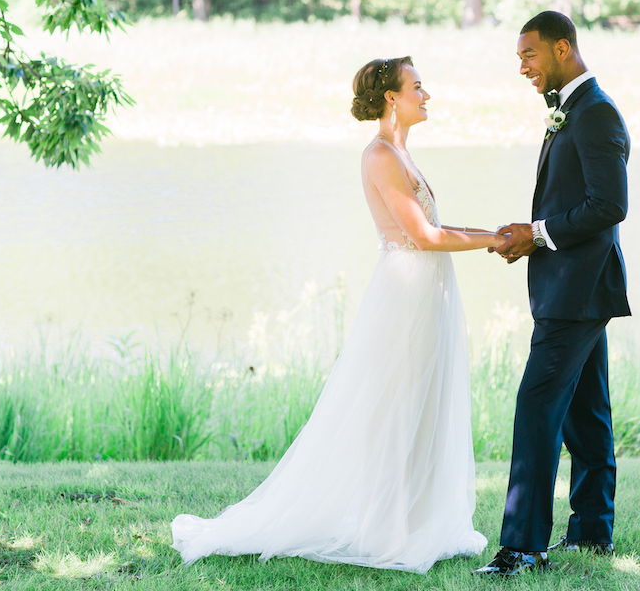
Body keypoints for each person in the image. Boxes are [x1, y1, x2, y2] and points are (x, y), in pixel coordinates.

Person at [171, 56, 504, 574]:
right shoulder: (381, 156)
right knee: (396, 408)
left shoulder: (401, 152)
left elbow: (434, 229)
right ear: (392, 97)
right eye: (418, 86)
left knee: (422, 407)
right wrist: (497, 240)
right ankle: (388, 530)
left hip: (426, 290)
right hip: (406, 295)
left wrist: (493, 235)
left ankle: (415, 521)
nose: (427, 95)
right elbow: (424, 236)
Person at [474, 11, 631, 576]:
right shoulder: (573, 109)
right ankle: (591, 533)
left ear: (562, 48)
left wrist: (536, 234)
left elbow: (609, 206)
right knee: (586, 415)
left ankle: (523, 546)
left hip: (577, 291)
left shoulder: (596, 112)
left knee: (537, 407)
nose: (522, 67)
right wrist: (531, 238)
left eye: (529, 55)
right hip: (573, 288)